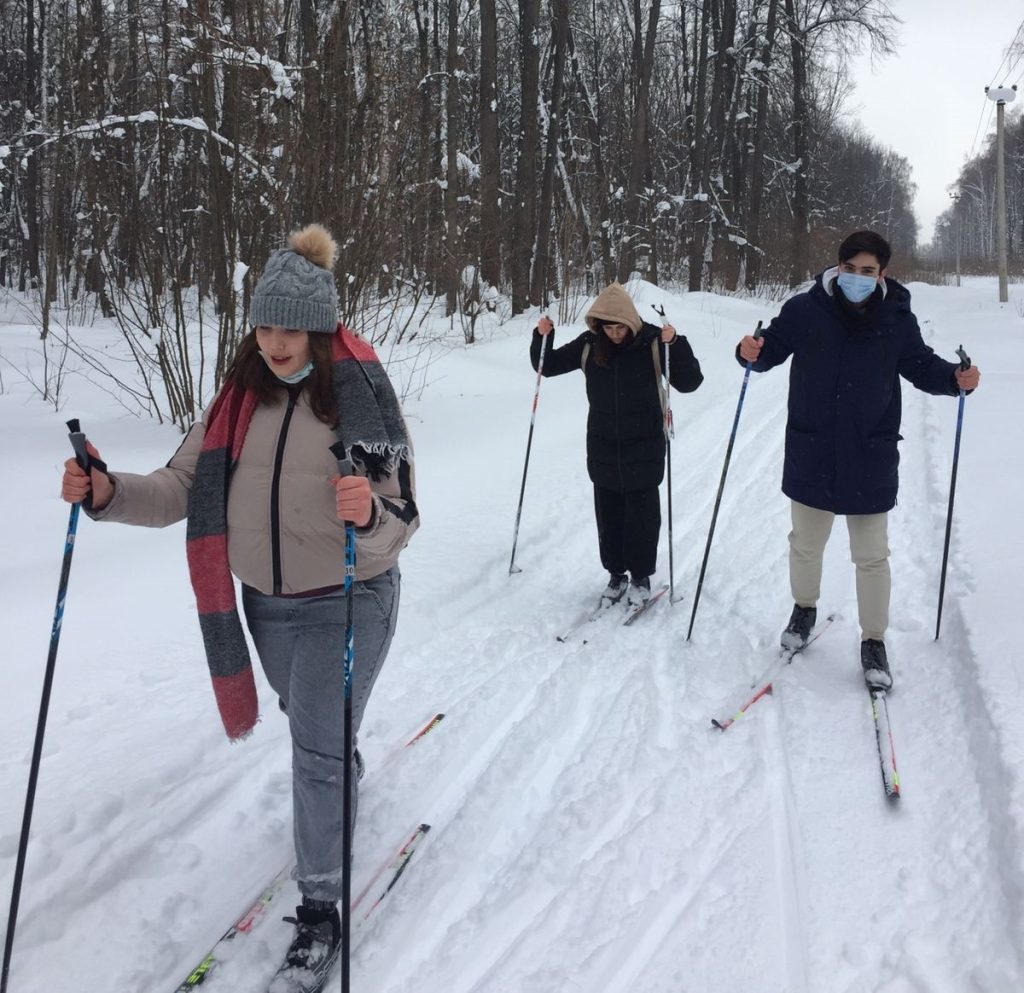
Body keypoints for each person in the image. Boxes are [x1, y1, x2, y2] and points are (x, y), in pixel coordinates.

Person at [61, 224, 418, 993]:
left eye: (291, 326)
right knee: (314, 728)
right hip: (267, 608)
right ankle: (339, 765)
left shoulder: (358, 397)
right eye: (265, 324)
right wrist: (107, 491)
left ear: (319, 326)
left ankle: (320, 910)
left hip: (352, 599)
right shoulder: (234, 406)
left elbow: (402, 523)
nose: (277, 341)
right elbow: (178, 487)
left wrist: (367, 517)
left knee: (315, 750)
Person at [736, 230, 980, 689]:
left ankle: (874, 640)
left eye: (868, 271)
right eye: (851, 268)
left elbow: (920, 365)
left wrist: (955, 378)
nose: (858, 278)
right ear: (839, 266)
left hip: (870, 450)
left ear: (882, 273)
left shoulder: (896, 317)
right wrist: (750, 352)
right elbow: (768, 351)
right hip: (813, 448)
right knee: (805, 544)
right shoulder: (806, 309)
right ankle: (803, 611)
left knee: (871, 556)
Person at [530, 282, 703, 607]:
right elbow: (547, 365)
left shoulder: (653, 342)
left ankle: (640, 576)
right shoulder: (589, 345)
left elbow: (691, 382)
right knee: (608, 515)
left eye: (619, 326)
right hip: (603, 446)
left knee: (642, 516)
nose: (614, 333)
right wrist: (543, 336)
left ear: (631, 322)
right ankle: (615, 574)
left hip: (645, 445)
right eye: (607, 327)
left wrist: (676, 345)